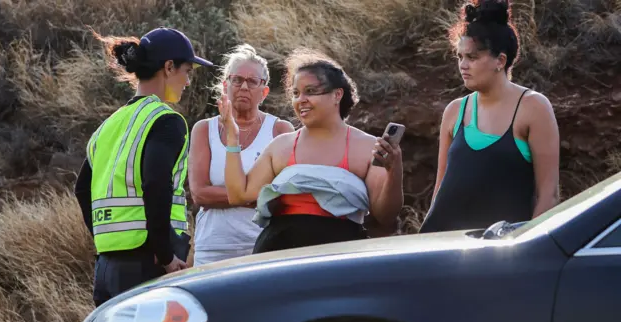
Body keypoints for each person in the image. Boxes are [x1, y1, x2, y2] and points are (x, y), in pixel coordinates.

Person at [74, 27, 213, 307]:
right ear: (169, 67)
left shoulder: (108, 126)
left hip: (107, 265)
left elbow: (81, 190)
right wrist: (165, 255)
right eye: (187, 71)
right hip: (147, 263)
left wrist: (105, 244)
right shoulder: (165, 120)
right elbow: (155, 184)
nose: (187, 82)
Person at [219, 48, 404, 253]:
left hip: (338, 255)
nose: (301, 100)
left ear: (337, 95)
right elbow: (238, 195)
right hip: (277, 252)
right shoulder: (281, 146)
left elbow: (385, 215)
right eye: (296, 93)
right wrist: (232, 137)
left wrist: (394, 170)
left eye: (311, 91)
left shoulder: (367, 147)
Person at [419, 0, 560, 234]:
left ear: (500, 61)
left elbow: (549, 195)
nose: (462, 65)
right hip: (444, 252)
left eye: (472, 58)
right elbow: (440, 191)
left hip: (502, 256)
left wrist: (527, 250)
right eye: (459, 56)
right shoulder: (455, 111)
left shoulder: (533, 107)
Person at [188, 44, 294, 266]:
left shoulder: (280, 130)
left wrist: (231, 195)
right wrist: (251, 195)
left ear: (264, 91)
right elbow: (200, 194)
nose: (244, 86)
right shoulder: (203, 129)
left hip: (263, 246)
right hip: (213, 248)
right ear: (225, 86)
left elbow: (283, 195)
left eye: (252, 81)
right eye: (237, 80)